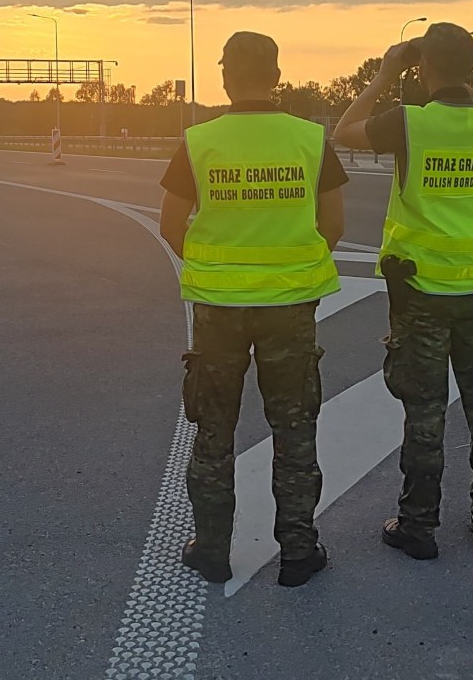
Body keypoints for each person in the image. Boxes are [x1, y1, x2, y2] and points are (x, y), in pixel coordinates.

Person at [159, 31, 348, 587]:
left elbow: (172, 225)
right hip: (289, 308)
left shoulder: (200, 141)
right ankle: (297, 551)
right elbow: (333, 226)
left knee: (214, 430)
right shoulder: (311, 140)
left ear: (225, 76)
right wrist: (288, 272)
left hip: (219, 311)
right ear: (278, 73)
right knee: (294, 428)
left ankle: (212, 551)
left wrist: (218, 273)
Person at [333, 22, 473, 560]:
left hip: (422, 289)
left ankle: (419, 526)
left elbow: (345, 131)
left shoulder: (411, 122)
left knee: (425, 410)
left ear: (424, 68)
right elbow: (470, 97)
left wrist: (387, 74)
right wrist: (446, 69)